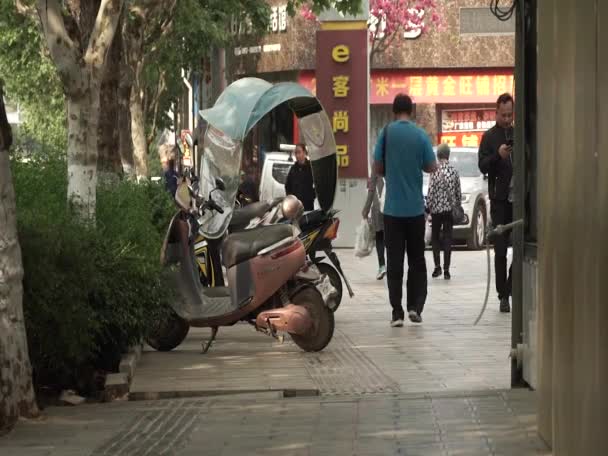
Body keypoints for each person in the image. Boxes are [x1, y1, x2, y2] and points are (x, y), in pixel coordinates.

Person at [374, 94, 438, 327]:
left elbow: (378, 166)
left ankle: (396, 312)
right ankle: (415, 307)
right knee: (417, 260)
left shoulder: (386, 133)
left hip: (392, 210)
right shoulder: (420, 135)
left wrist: (392, 168)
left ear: (393, 110)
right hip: (414, 210)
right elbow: (432, 166)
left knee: (394, 263)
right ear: (411, 110)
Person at [478, 93, 514, 313]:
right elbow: (482, 165)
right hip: (499, 200)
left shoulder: (519, 132)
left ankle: (510, 287)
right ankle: (503, 295)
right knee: (500, 250)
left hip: (518, 199)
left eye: (510, 115)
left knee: (520, 249)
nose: (507, 119)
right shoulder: (490, 137)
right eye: (503, 115)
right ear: (496, 113)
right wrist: (498, 156)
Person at [426, 143, 461, 280]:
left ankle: (437, 267)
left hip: (436, 210)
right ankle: (447, 270)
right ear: (448, 154)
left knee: (435, 238)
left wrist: (428, 207)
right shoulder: (454, 171)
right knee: (447, 238)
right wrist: (456, 205)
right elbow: (458, 192)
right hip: (449, 211)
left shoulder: (434, 171)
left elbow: (431, 191)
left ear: (438, 155)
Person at [362, 172, 386, 280]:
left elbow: (371, 192)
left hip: (378, 209)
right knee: (391, 238)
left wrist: (365, 210)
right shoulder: (392, 166)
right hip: (392, 207)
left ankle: (382, 266)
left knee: (379, 238)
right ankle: (392, 266)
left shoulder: (376, 171)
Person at [285, 143, 315, 211]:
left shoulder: (311, 168)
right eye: (296, 153)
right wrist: (291, 199)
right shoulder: (293, 169)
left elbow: (318, 184)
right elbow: (287, 186)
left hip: (308, 205)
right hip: (295, 206)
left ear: (304, 153)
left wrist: (312, 195)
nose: (297, 155)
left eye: (299, 152)